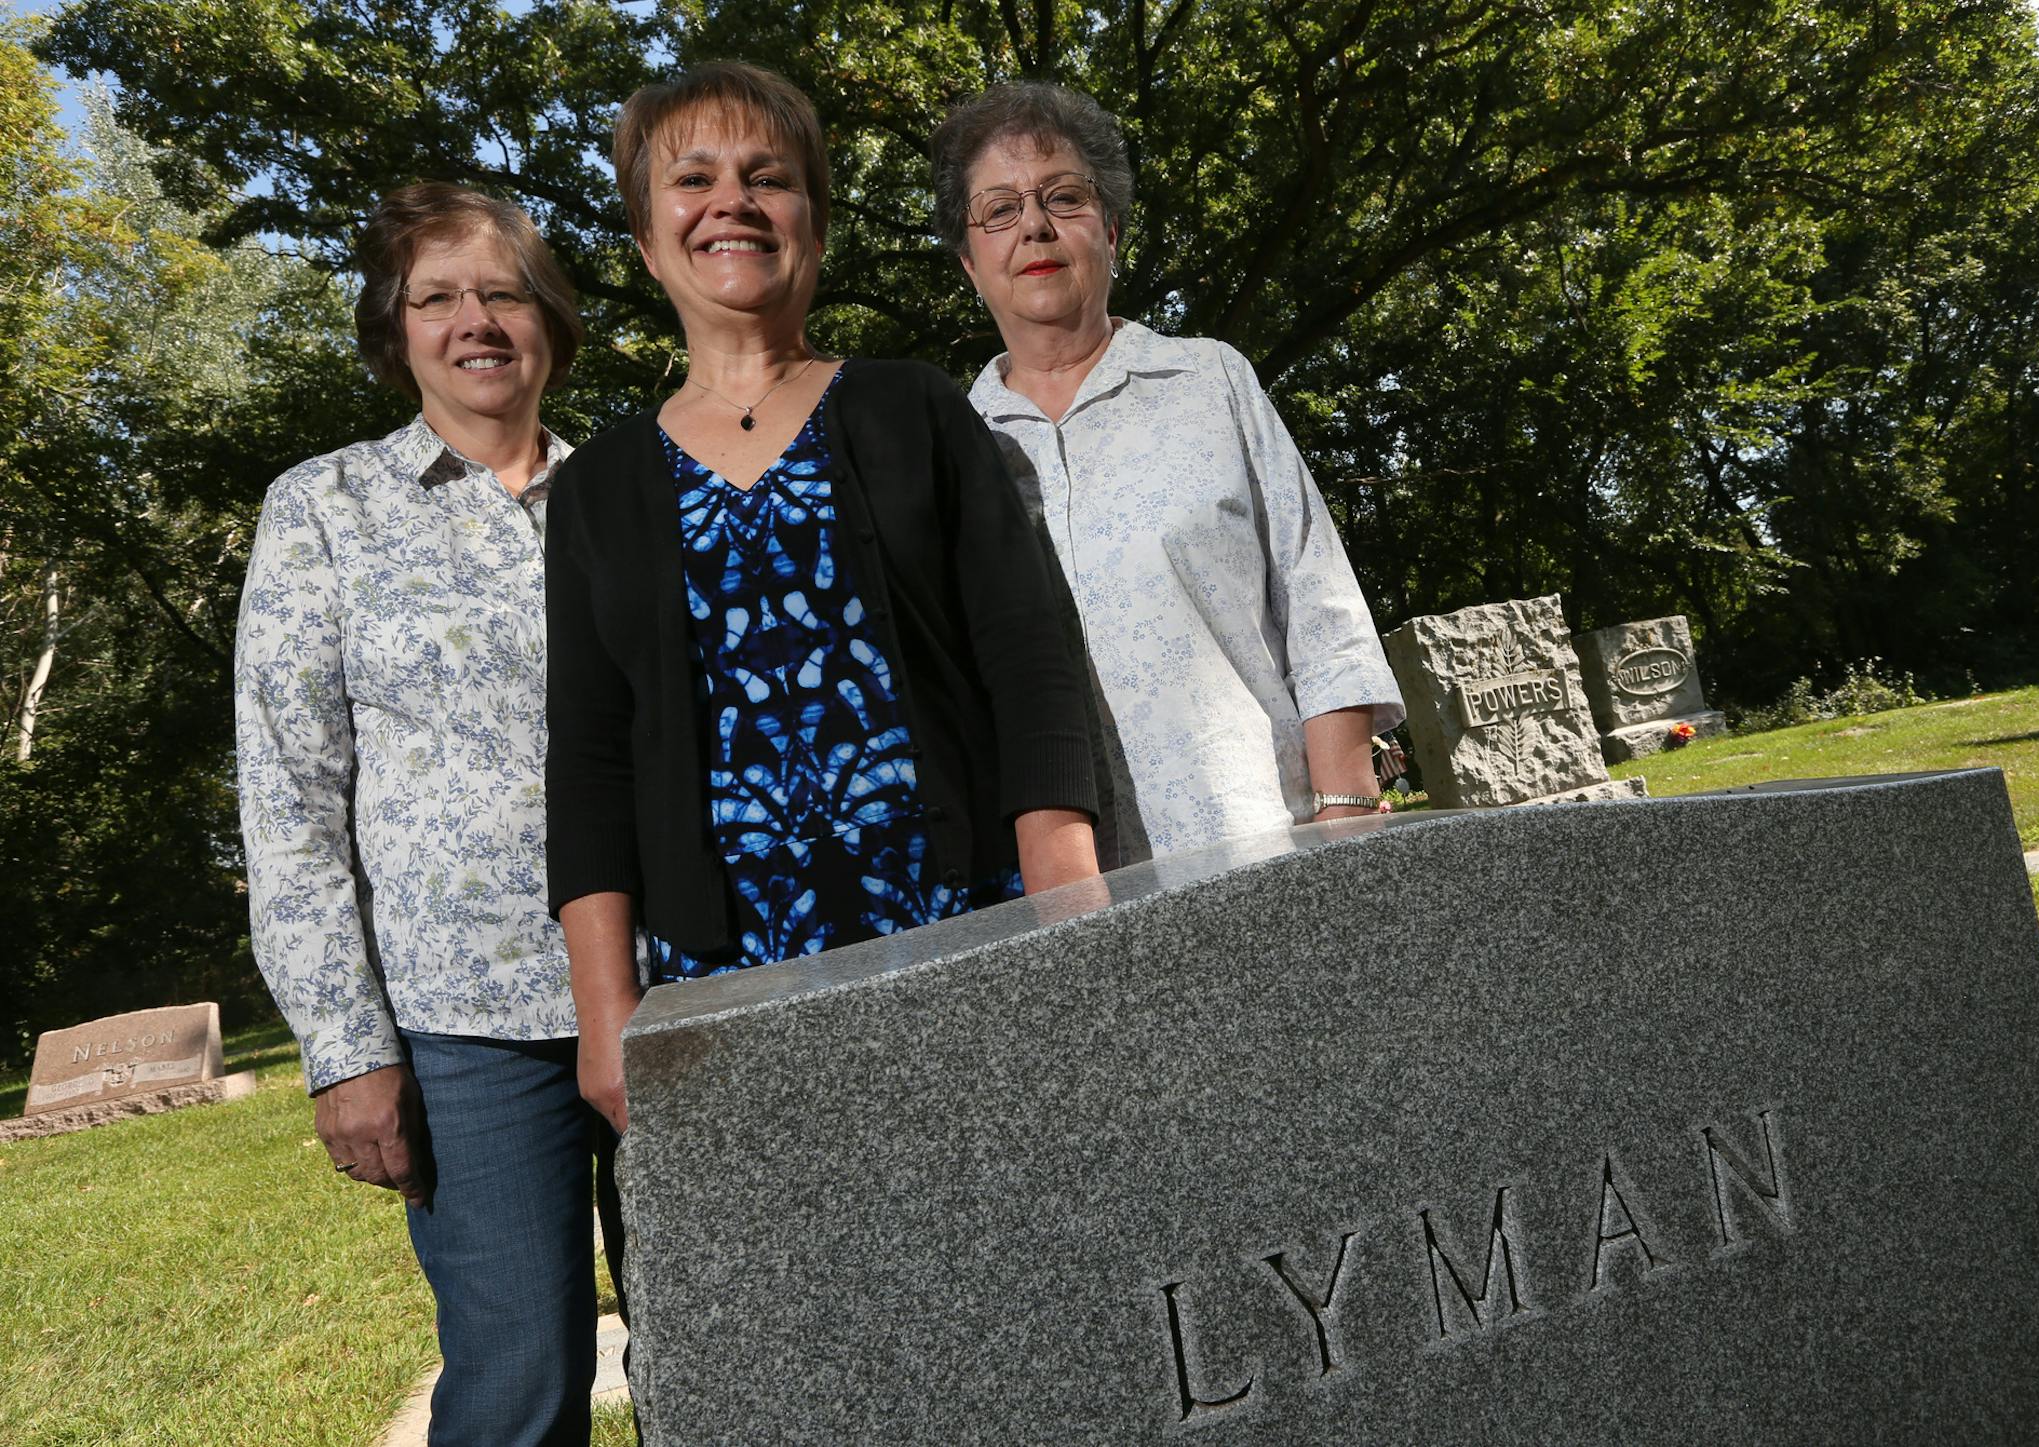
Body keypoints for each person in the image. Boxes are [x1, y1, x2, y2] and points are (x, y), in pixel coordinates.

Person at [547, 61, 1100, 1132]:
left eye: (769, 175)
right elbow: (590, 756)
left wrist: (1068, 907)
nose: (733, 202)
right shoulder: (597, 489)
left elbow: (1027, 655)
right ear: (645, 237)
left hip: (962, 926)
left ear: (814, 221)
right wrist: (606, 1009)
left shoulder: (915, 409)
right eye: (692, 178)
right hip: (727, 978)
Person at [234, 182, 621, 1446]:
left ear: (550, 320)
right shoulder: (325, 510)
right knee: (519, 1387)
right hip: (465, 1032)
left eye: (503, 292)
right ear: (394, 330)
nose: (476, 321)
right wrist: (344, 1046)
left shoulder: (633, 492)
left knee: (736, 1346)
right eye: (438, 297)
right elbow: (290, 794)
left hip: (672, 993)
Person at [931, 83, 1407, 867]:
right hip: (1061, 898)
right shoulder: (951, 448)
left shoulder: (1209, 381)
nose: (1036, 227)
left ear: (1111, 230)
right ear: (968, 260)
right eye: (1001, 210)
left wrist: (1347, 814)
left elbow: (1320, 605)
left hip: (1264, 844)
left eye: (1064, 196)